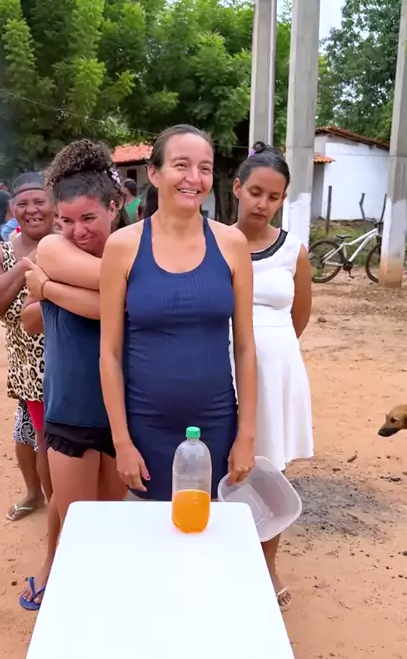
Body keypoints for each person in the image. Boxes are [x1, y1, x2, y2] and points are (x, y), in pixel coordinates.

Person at [99, 123, 257, 503]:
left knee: (208, 530)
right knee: (150, 532)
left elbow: (246, 348)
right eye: (181, 165)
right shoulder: (122, 246)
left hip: (217, 424)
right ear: (154, 173)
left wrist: (246, 435)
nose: (194, 178)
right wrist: (122, 442)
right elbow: (110, 353)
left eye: (205, 168)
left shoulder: (232, 244)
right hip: (145, 426)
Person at [21, 139, 126, 605]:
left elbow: (121, 300)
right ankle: (56, 573)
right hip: (71, 405)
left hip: (122, 412)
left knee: (108, 521)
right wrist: (47, 291)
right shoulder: (52, 246)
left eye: (88, 218)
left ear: (114, 207)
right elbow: (116, 296)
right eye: (66, 219)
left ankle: (97, 599)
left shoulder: (131, 248)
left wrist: (48, 289)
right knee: (74, 516)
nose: (76, 230)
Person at [233, 141, 313, 610]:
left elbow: (299, 316)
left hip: (277, 374)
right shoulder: (213, 242)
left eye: (274, 197)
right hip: (223, 371)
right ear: (237, 188)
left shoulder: (294, 251)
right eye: (256, 192)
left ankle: (266, 565)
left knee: (269, 474)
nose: (263, 204)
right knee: (221, 464)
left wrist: (270, 352)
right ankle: (224, 559)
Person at [0, 172, 55, 522]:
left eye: (40, 201)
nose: (32, 209)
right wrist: (25, 264)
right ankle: (37, 496)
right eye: (23, 203)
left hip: (69, 370)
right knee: (29, 437)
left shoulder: (72, 243)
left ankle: (59, 511)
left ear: (54, 205)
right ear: (12, 210)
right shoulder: (1, 254)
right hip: (27, 372)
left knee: (47, 442)